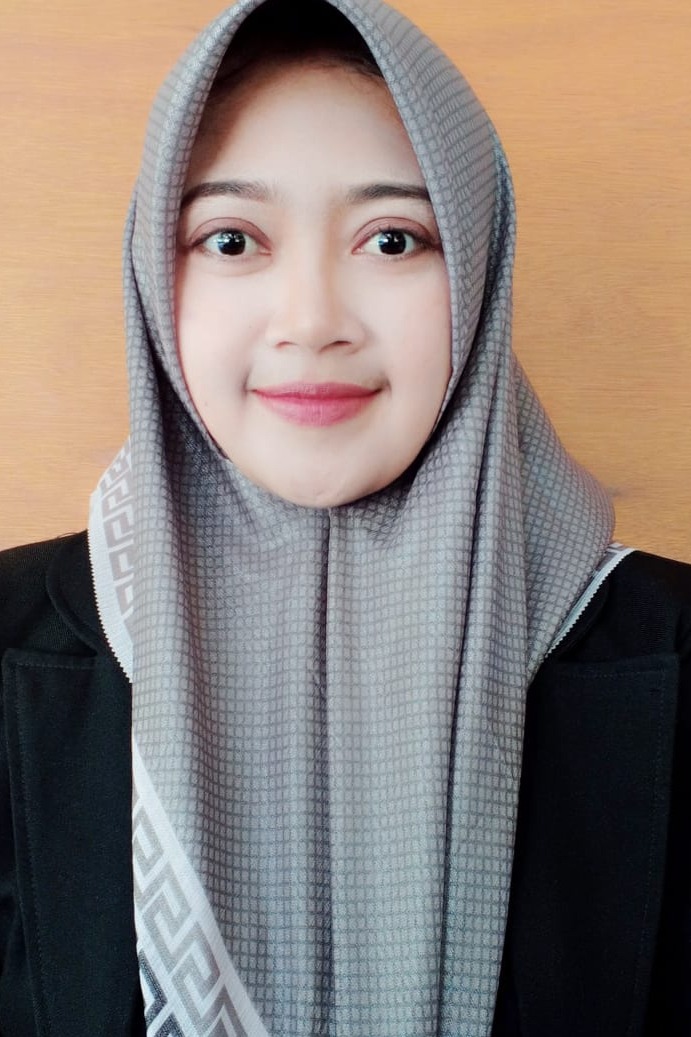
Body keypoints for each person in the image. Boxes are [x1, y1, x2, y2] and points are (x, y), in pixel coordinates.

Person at [0, 0, 688, 1034]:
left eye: (393, 239)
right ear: (152, 273)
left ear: (480, 265)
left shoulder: (669, 643)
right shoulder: (13, 633)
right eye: (231, 239)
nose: (313, 319)